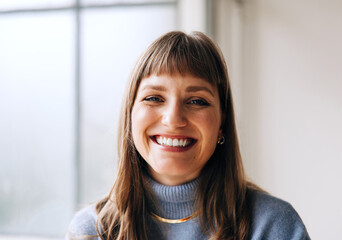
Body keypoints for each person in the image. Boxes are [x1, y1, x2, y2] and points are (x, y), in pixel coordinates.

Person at [67, 31, 310, 240]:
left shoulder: (273, 226)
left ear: (222, 124)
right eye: (154, 98)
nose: (173, 119)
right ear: (130, 117)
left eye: (196, 101)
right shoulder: (91, 230)